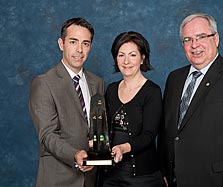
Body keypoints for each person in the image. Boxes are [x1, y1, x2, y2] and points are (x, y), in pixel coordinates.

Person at [157, 13, 223, 187]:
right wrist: (164, 170)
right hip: (174, 181)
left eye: (201, 37)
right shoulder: (174, 78)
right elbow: (168, 130)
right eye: (187, 39)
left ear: (216, 38)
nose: (194, 45)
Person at [29, 17, 104, 187]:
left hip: (91, 179)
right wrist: (75, 155)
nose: (79, 50)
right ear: (61, 44)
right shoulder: (44, 83)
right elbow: (47, 135)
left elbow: (97, 127)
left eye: (85, 43)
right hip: (58, 179)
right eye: (73, 42)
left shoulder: (97, 82)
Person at [101, 31, 165, 187]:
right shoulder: (110, 89)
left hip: (142, 177)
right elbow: (103, 128)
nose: (126, 61)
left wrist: (123, 148)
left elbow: (149, 135)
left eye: (132, 55)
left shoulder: (152, 91)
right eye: (121, 55)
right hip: (111, 173)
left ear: (142, 58)